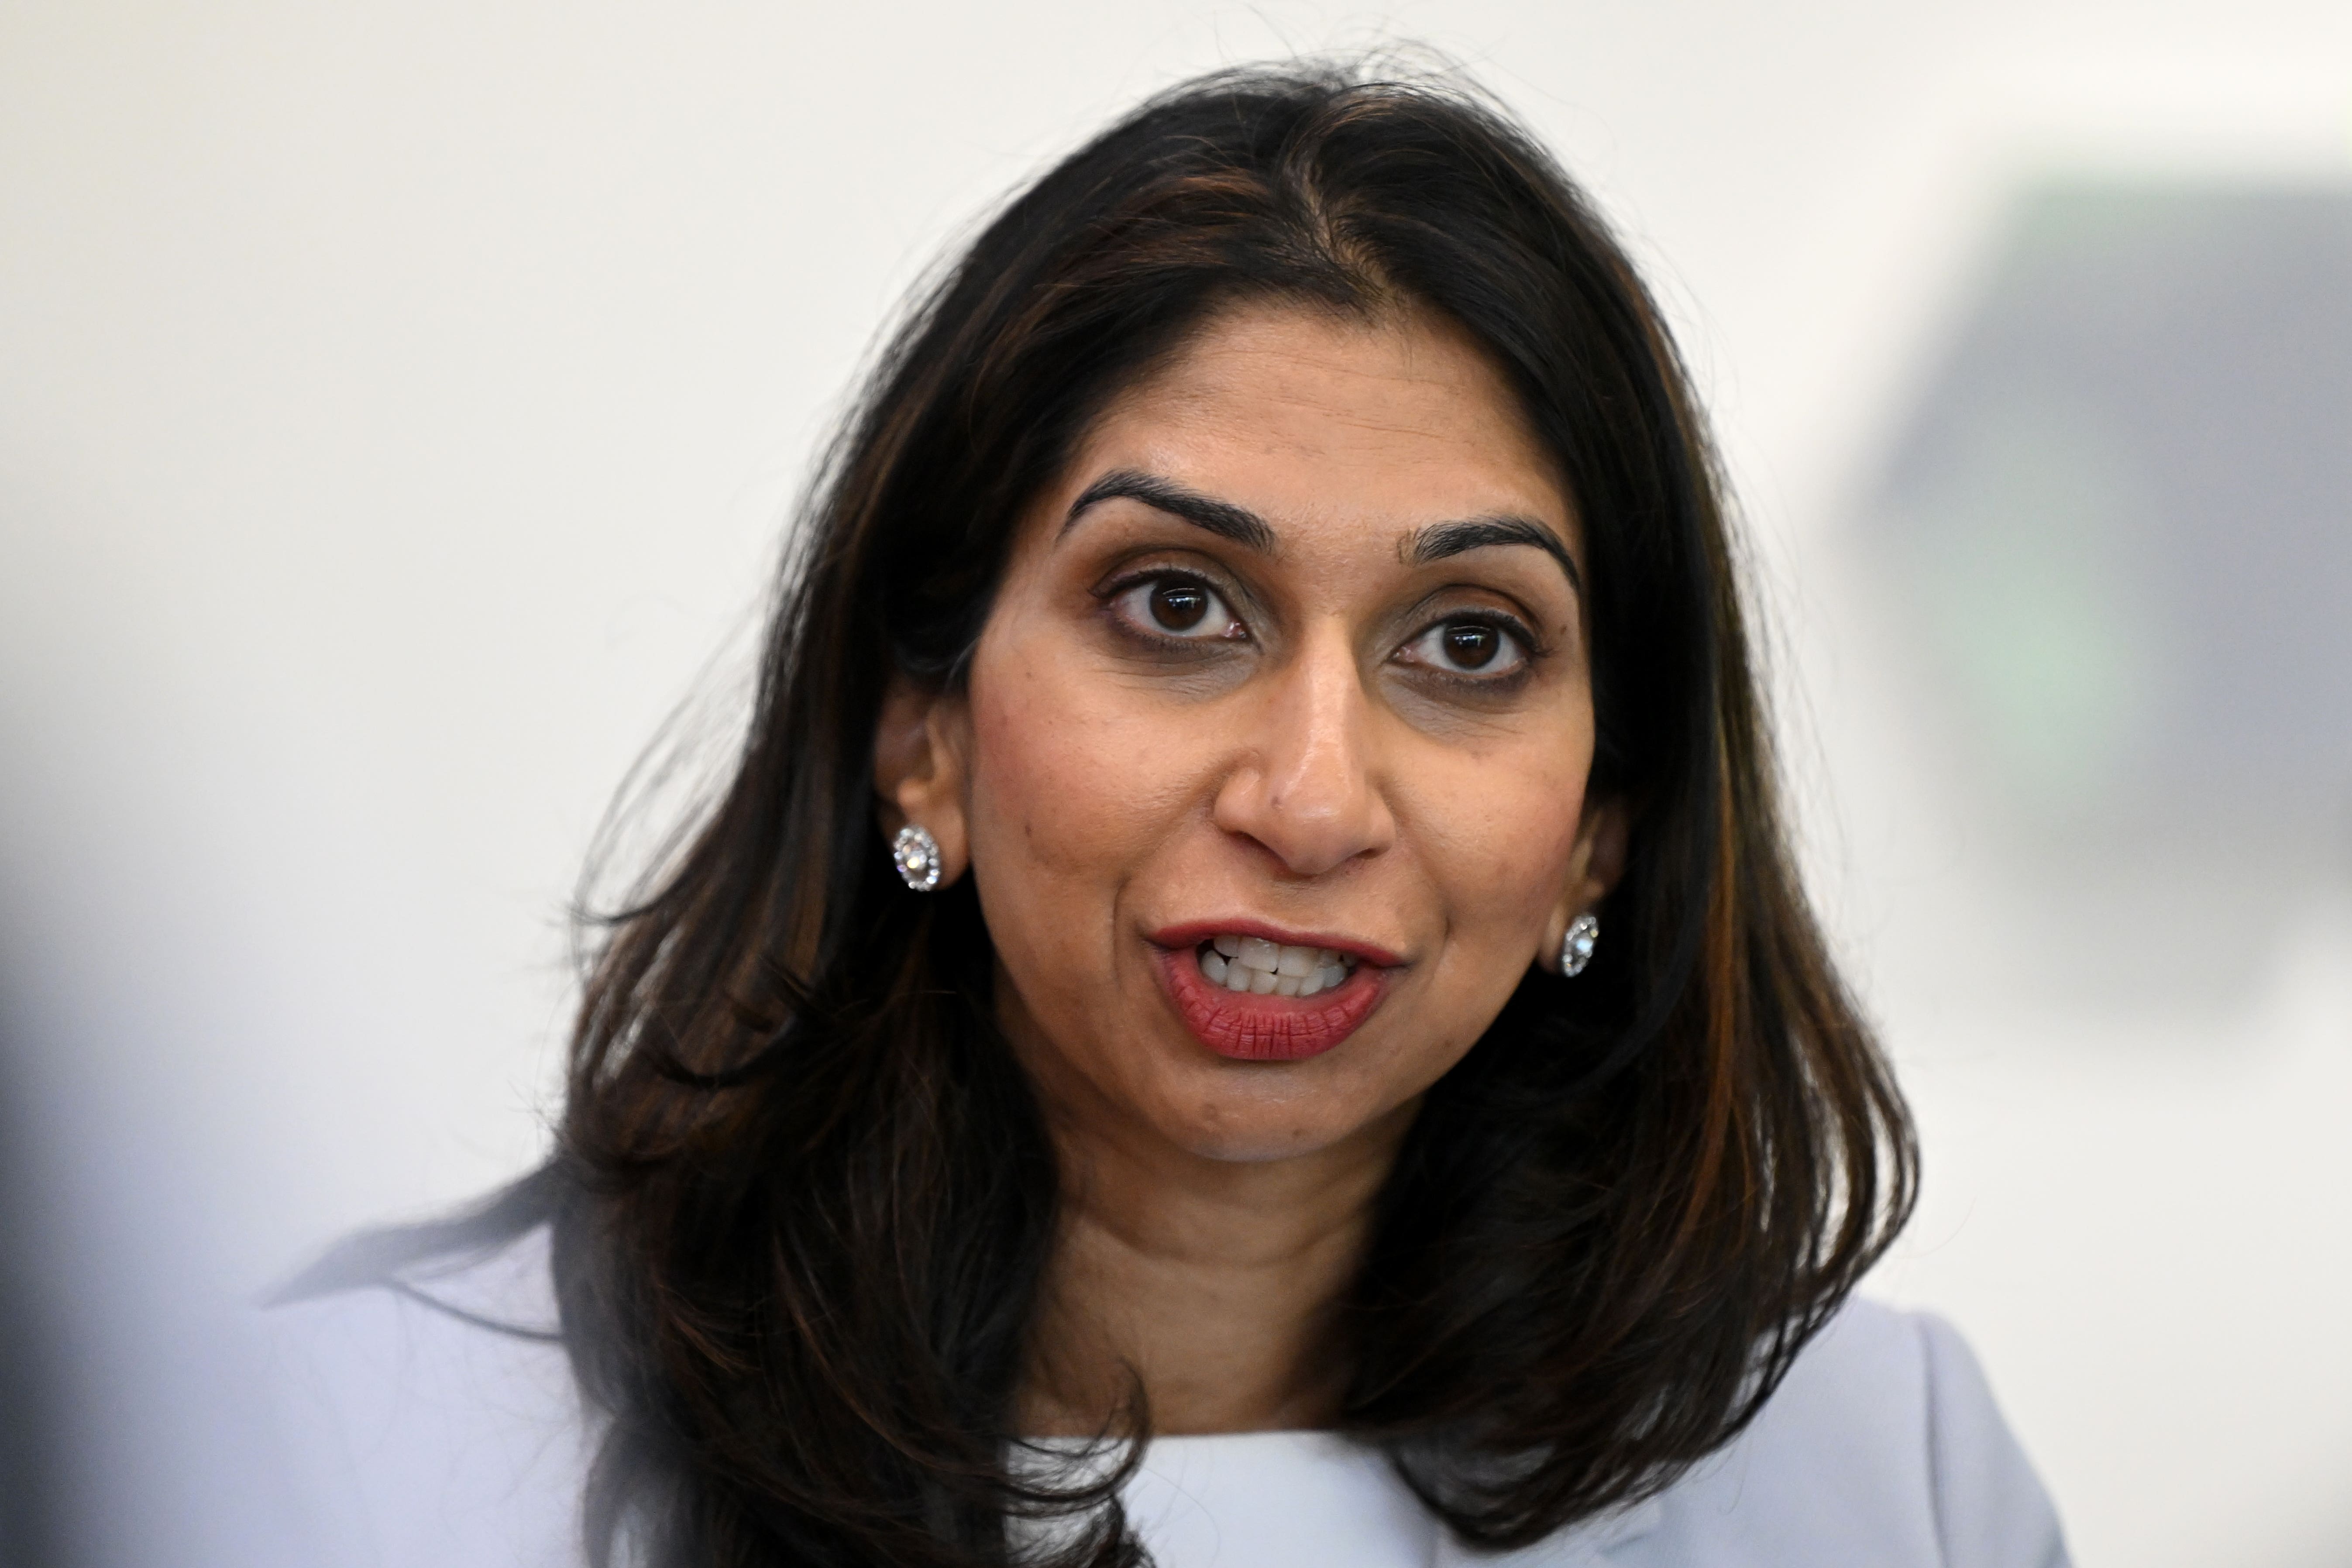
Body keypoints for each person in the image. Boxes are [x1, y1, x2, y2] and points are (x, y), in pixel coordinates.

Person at [266, 60, 2069, 1568]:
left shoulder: (1885, 1485)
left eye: (1467, 641)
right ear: (923, 734)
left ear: (1605, 824)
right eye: (1177, 606)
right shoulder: (349, 1458)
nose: (1308, 798)